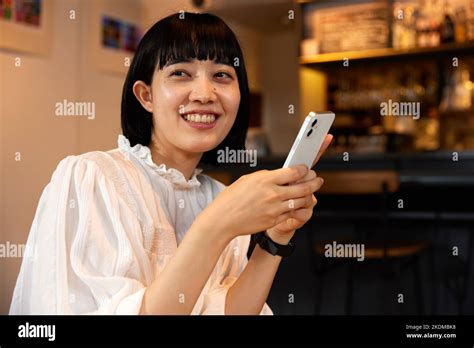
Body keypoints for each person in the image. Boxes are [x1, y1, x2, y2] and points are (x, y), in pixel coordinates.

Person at [10, 12, 331, 315]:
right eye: (180, 73)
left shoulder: (218, 196)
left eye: (222, 75)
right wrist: (216, 225)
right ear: (145, 95)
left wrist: (274, 237)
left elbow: (227, 310)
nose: (205, 94)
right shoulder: (90, 179)